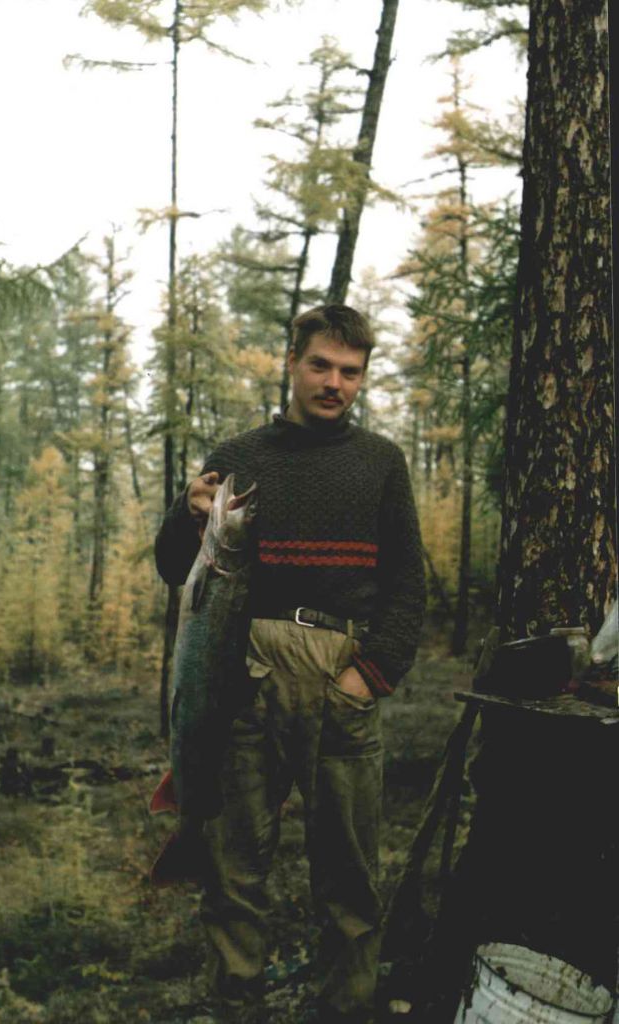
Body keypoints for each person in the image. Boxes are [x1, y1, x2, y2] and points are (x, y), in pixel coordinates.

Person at [155, 304, 426, 1023]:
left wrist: (369, 674)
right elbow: (176, 569)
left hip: (341, 667)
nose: (334, 383)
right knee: (234, 862)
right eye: (320, 366)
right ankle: (236, 1000)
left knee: (349, 867)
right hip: (239, 669)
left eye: (350, 372)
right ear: (292, 363)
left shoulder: (380, 462)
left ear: (361, 378)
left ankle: (345, 1006)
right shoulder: (239, 456)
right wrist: (187, 512)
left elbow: (408, 584)